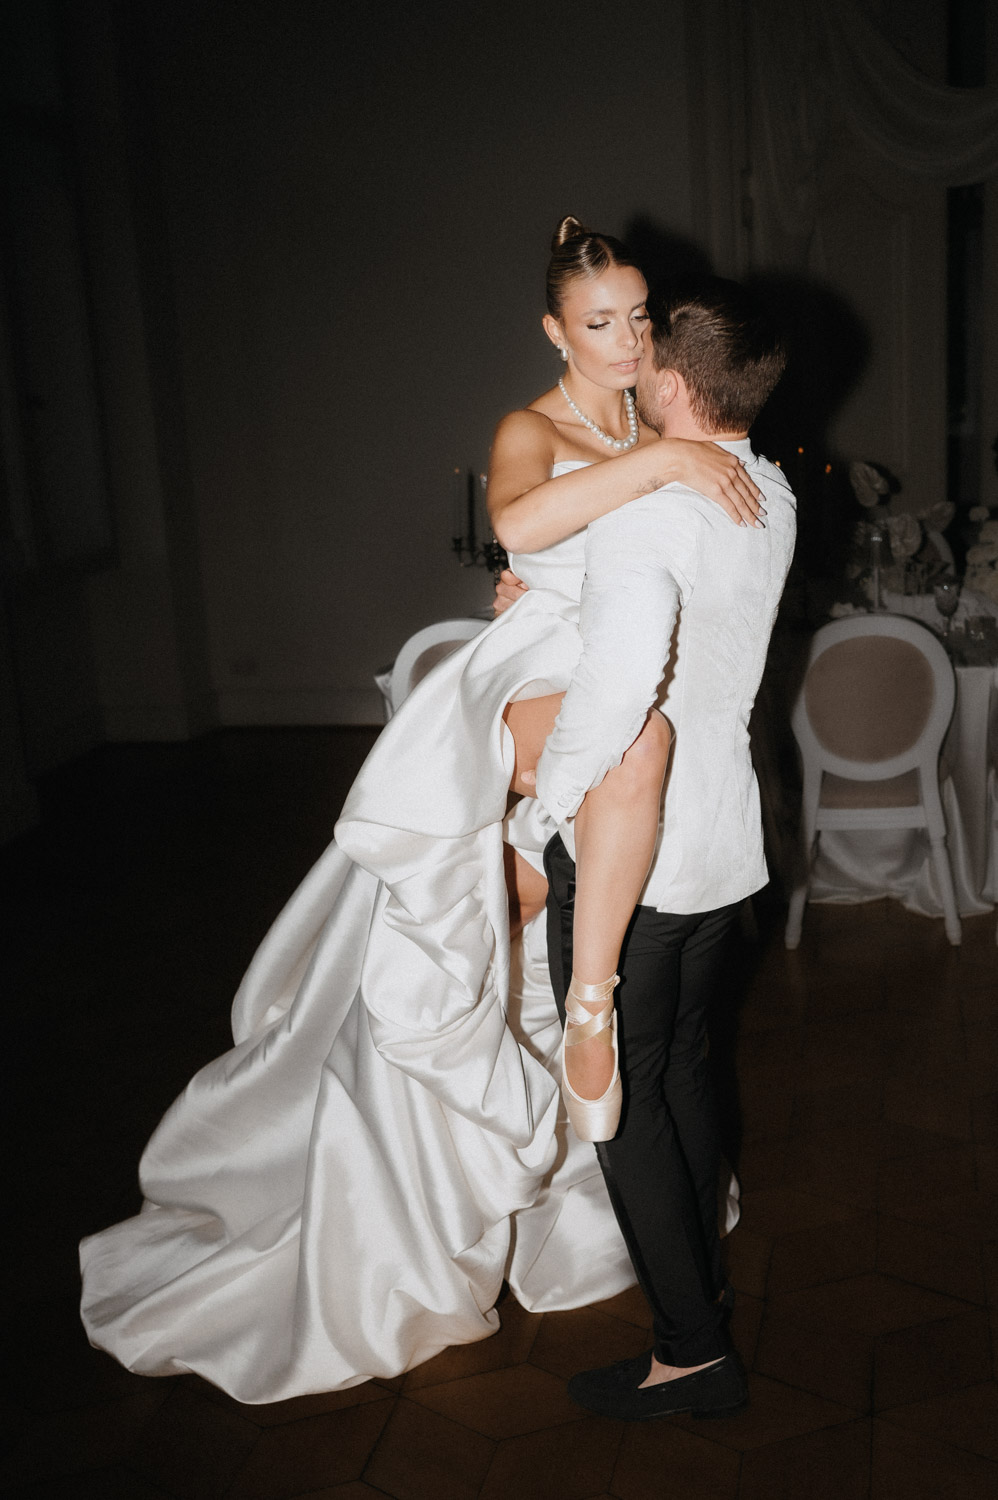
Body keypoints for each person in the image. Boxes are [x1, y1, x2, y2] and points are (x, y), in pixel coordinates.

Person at [78, 222, 761, 1404]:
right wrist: (637, 485)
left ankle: (562, 1103)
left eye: (640, 318)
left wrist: (660, 471)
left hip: (602, 671)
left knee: (522, 920)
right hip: (544, 679)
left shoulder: (655, 422)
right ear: (554, 330)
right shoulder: (532, 427)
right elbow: (519, 525)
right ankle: (519, 1063)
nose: (626, 340)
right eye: (599, 321)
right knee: (515, 883)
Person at [522, 274, 795, 1421]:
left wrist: (549, 799)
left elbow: (623, 694)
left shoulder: (646, 507)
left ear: (674, 384)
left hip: (639, 848)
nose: (629, 360)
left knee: (622, 1104)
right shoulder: (768, 489)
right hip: (725, 841)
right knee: (679, 1070)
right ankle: (703, 1302)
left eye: (646, 351)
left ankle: (690, 1351)